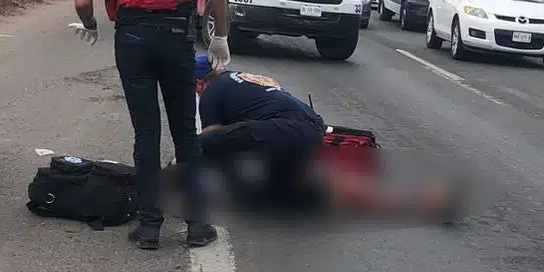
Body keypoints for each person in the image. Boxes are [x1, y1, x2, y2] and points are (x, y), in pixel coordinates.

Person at [73, 0, 231, 250]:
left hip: (133, 42)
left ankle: (148, 228)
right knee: (184, 132)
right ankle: (197, 225)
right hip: (177, 39)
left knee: (147, 134)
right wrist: (220, 36)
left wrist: (91, 24)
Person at [190, 57, 461, 220]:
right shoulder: (243, 80)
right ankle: (425, 202)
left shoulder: (213, 93)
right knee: (307, 193)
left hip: (289, 130)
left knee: (201, 144)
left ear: (200, 83)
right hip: (307, 128)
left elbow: (213, 142)